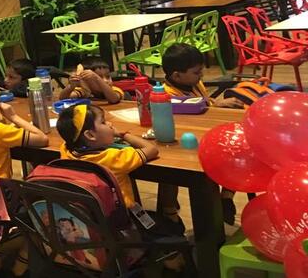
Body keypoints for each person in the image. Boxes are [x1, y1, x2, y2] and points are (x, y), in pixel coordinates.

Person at [56, 105, 184, 237]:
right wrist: (124, 135)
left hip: (93, 220)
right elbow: (152, 149)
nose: (110, 124)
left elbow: (67, 143)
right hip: (123, 221)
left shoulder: (66, 151)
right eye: (103, 122)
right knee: (175, 228)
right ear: (90, 135)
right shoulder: (112, 158)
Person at [162, 42, 242, 224]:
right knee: (169, 173)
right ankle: (169, 211)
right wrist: (214, 105)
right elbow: (187, 117)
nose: (201, 76)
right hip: (183, 146)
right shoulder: (167, 95)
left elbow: (204, 101)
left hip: (205, 135)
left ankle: (226, 196)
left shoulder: (194, 83)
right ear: (176, 76)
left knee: (236, 149)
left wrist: (216, 103)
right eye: (196, 72)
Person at [59, 58, 123, 103]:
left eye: (108, 77)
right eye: (100, 77)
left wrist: (97, 78)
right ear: (86, 82)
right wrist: (71, 87)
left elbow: (114, 99)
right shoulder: (84, 91)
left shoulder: (114, 90)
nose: (106, 81)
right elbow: (63, 99)